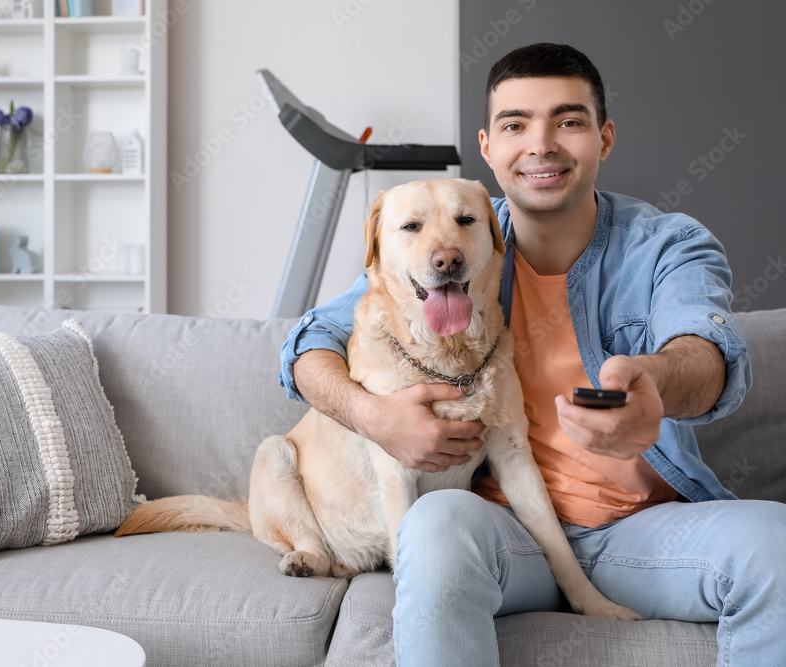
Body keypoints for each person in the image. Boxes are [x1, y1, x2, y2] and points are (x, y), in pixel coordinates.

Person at [277, 43, 786, 666]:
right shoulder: (454, 233)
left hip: (644, 532)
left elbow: (705, 355)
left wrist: (654, 382)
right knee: (436, 525)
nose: (541, 145)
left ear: (605, 137)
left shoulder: (668, 245)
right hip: (499, 535)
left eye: (568, 122)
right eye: (516, 125)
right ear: (489, 147)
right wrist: (374, 418)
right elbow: (308, 344)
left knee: (777, 544)